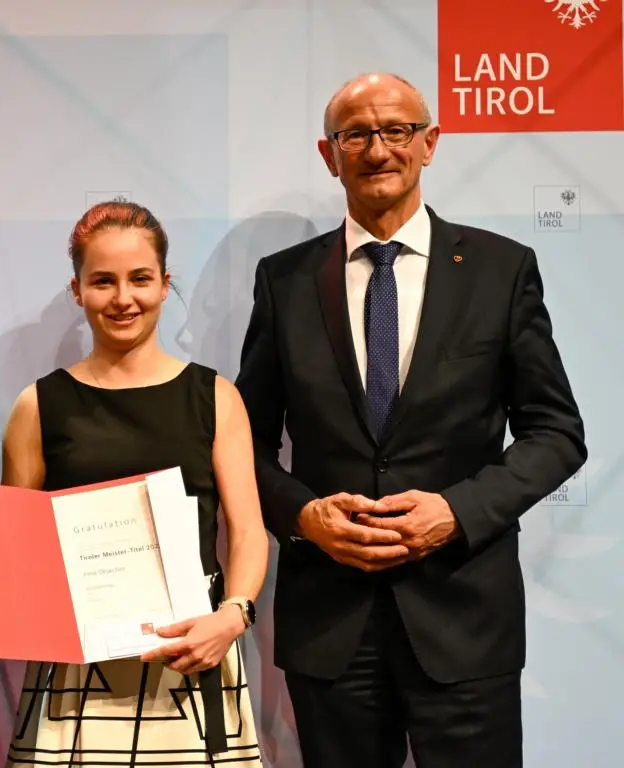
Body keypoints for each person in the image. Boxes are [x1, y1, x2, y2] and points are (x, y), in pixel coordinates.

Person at [234, 72, 586, 768]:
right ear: (328, 153)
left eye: (396, 130)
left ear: (430, 143)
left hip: (464, 620)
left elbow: (556, 433)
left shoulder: (500, 270)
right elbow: (239, 441)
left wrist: (456, 512)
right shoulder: (285, 281)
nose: (377, 149)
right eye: (355, 134)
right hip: (330, 625)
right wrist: (304, 518)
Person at [1, 201, 269, 766]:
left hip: (193, 653)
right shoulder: (38, 406)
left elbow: (247, 532)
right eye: (103, 281)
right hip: (75, 670)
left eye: (140, 279)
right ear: (78, 290)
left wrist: (233, 616)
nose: (124, 299)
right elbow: (14, 556)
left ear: (165, 284)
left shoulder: (215, 397)